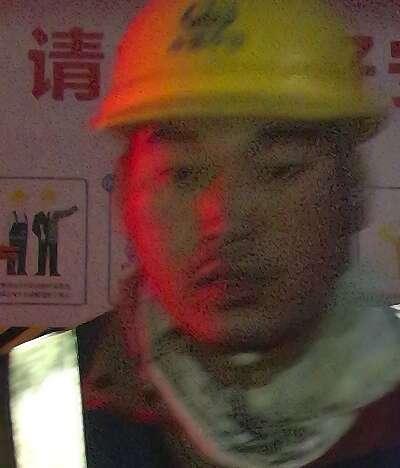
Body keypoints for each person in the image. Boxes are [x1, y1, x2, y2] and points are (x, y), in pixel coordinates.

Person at [77, 0, 400, 466]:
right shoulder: (35, 402)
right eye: (182, 173)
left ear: (354, 191)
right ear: (125, 197)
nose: (225, 221)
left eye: (279, 169)